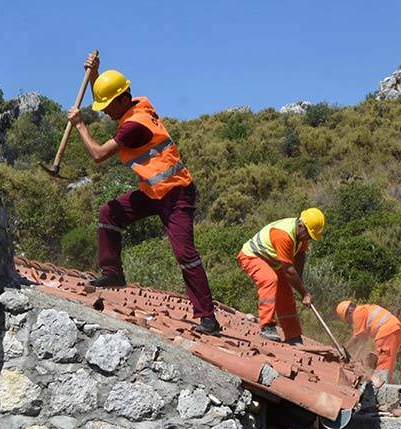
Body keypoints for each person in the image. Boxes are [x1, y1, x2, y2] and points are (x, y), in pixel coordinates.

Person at [66, 51, 221, 335]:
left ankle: (208, 317)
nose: (104, 111)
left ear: (123, 100)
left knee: (185, 254)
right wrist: (96, 76)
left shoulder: (134, 125)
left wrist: (80, 125)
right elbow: (113, 98)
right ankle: (112, 274)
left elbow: (98, 154)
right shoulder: (138, 104)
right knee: (109, 213)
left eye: (107, 105)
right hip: (153, 192)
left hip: (176, 194)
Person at [237, 209, 326, 344]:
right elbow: (289, 270)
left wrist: (299, 281)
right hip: (251, 256)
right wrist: (304, 293)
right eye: (309, 235)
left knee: (286, 294)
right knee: (270, 280)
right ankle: (267, 326)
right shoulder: (283, 235)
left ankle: (293, 335)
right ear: (301, 225)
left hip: (272, 261)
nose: (309, 238)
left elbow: (300, 255)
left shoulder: (301, 234)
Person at [336, 300, 401, 385]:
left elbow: (356, 337)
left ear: (348, 315)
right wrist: (355, 358)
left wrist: (343, 349)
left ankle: (381, 386)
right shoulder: (365, 310)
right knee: (389, 361)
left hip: (386, 331)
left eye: (348, 321)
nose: (351, 323)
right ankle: (388, 384)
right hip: (396, 329)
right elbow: (363, 341)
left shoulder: (357, 313)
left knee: (384, 360)